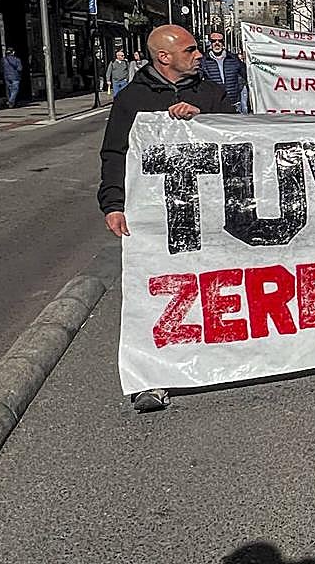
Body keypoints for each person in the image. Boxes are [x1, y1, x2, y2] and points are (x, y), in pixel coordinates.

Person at [98, 25, 236, 412]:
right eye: (190, 50)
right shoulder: (132, 99)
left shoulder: (210, 93)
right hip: (157, 216)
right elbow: (115, 152)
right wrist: (113, 203)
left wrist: (203, 117)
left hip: (210, 212)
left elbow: (238, 135)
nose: (199, 54)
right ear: (164, 57)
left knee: (215, 284)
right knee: (157, 292)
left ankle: (222, 354)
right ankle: (151, 377)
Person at [199, 31, 247, 113]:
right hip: (215, 104)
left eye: (220, 41)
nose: (217, 43)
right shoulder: (204, 61)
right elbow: (197, 80)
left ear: (223, 42)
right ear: (210, 43)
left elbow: (246, 75)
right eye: (214, 41)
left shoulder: (233, 59)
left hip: (234, 103)